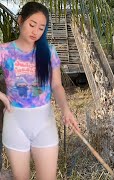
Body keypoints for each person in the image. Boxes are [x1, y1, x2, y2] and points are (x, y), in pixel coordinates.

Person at [0, 2, 80, 179]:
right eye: (32, 24)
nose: (35, 31)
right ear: (20, 21)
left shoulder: (48, 51)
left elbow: (57, 86)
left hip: (45, 122)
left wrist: (66, 109)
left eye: (41, 28)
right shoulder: (4, 51)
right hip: (15, 123)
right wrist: (2, 97)